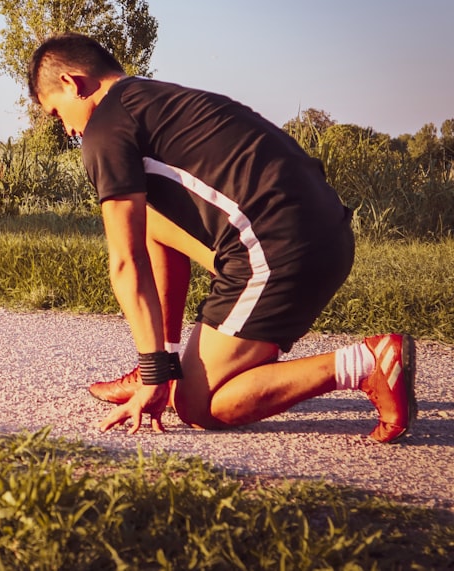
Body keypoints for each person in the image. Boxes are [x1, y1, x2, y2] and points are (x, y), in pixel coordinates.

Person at [27, 33, 416, 443]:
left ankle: (365, 364)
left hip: (279, 251)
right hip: (324, 234)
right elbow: (151, 234)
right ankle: (164, 361)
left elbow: (126, 262)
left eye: (58, 115)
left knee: (197, 405)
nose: (69, 129)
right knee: (149, 220)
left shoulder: (105, 129)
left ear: (73, 83)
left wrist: (158, 377)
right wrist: (159, 361)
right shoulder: (159, 98)